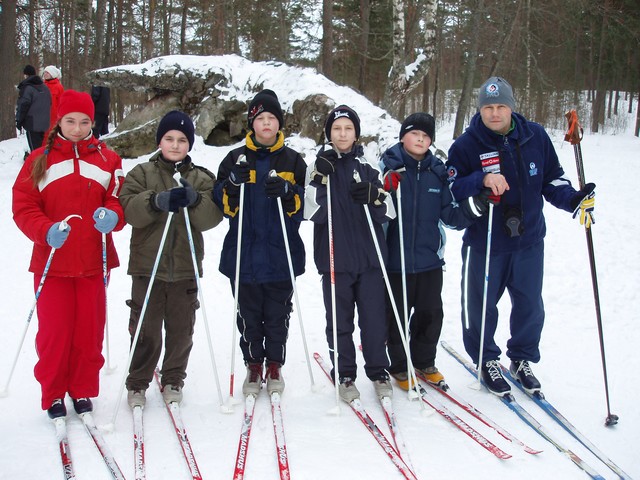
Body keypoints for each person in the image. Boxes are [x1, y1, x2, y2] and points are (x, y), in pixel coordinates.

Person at [446, 77, 596, 396]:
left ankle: (522, 359)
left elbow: (552, 179)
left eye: (501, 106)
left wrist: (573, 199)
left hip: (528, 240)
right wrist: (481, 178)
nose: (495, 113)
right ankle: (486, 359)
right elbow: (451, 189)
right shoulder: (466, 145)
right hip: (485, 242)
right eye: (488, 107)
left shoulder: (535, 136)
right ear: (480, 109)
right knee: (480, 306)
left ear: (512, 107)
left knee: (530, 305)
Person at [12, 89, 126, 418]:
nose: (77, 128)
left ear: (93, 122)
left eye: (84, 122)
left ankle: (82, 390)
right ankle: (53, 394)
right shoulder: (39, 161)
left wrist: (113, 215)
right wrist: (44, 230)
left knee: (89, 332)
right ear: (59, 121)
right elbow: (23, 206)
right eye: (70, 121)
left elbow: (116, 198)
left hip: (92, 261)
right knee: (54, 334)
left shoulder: (108, 158)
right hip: (53, 261)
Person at [120, 110, 223, 407]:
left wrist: (194, 201)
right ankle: (138, 382)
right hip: (147, 267)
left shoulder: (201, 177)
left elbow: (210, 218)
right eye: (169, 139)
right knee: (146, 329)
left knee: (180, 330)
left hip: (184, 268)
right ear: (160, 141)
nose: (175, 145)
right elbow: (130, 211)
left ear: (189, 144)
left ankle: (173, 377)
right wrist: (155, 201)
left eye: (181, 140)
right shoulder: (141, 173)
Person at [380, 112, 490, 390]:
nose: (420, 139)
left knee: (431, 314)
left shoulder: (437, 173)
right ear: (403, 136)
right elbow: (375, 210)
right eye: (414, 133)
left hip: (430, 260)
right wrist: (386, 188)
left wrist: (476, 204)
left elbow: (450, 215)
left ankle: (424, 361)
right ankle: (398, 365)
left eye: (426, 136)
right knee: (396, 316)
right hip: (396, 261)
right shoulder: (388, 167)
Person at [213, 89, 306, 397]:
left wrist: (289, 191)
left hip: (281, 254)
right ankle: (253, 364)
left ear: (279, 124)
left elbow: (304, 209)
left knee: (278, 315)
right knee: (249, 315)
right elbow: (224, 206)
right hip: (244, 254)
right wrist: (233, 184)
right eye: (260, 118)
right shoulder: (234, 158)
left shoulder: (293, 160)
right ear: (252, 123)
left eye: (272, 118)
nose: (266, 124)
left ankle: (275, 364)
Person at [304, 105, 396, 403]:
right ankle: (345, 373)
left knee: (374, 320)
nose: (342, 134)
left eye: (348, 129)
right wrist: (319, 179)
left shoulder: (368, 166)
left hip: (369, 259)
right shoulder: (317, 166)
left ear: (356, 133)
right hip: (334, 259)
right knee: (339, 321)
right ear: (329, 133)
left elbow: (389, 211)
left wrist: (375, 197)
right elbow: (309, 211)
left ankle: (379, 371)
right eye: (336, 129)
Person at [16, 64, 51, 152]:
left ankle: (38, 165)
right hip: (45, 123)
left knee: (35, 151)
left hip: (32, 124)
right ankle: (43, 164)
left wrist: (19, 121)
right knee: (42, 149)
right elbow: (49, 103)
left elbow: (23, 106)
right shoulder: (45, 87)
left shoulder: (27, 88)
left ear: (26, 75)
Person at [42, 65, 64, 139]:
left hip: (54, 116)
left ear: (52, 74)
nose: (45, 74)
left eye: (47, 73)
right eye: (44, 72)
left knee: (52, 135)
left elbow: (62, 102)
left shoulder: (58, 87)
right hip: (42, 116)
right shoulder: (42, 86)